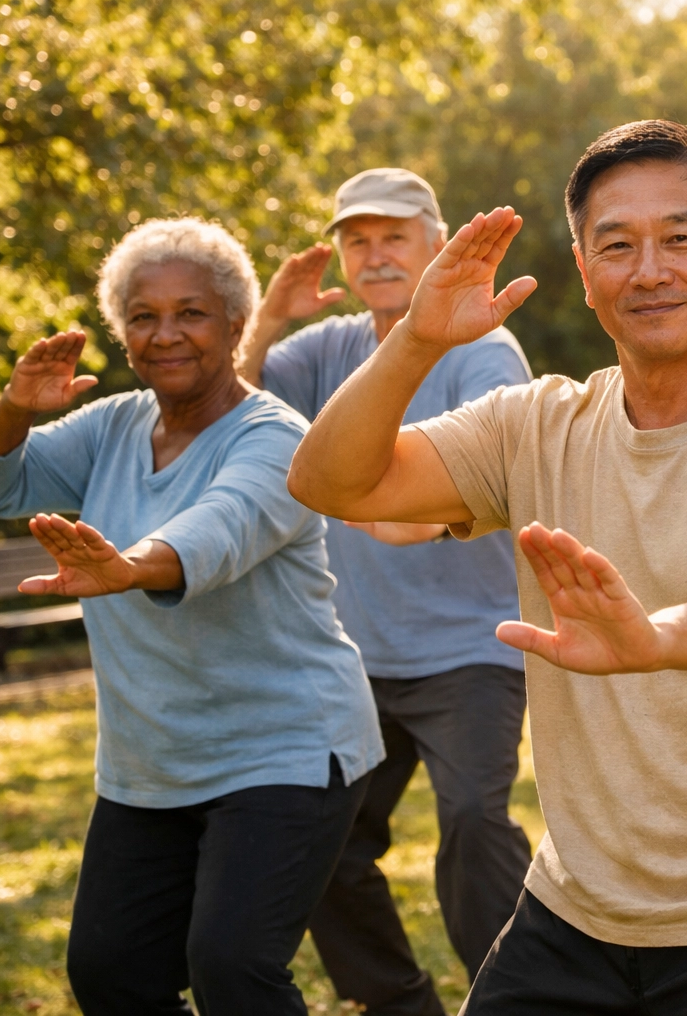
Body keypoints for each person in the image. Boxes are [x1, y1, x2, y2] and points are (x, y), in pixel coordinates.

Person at [285, 120, 687, 1015]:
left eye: (682, 239)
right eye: (617, 246)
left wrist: (655, 637)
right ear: (584, 273)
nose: (649, 270)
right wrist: (417, 340)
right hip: (582, 903)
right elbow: (331, 480)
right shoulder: (533, 426)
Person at [0, 217, 384, 1015]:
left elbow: (219, 529)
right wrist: (14, 406)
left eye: (191, 313)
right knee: (112, 974)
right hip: (153, 762)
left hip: (286, 749)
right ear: (122, 332)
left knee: (233, 969)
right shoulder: (113, 425)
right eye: (144, 317)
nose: (166, 334)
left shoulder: (277, 438)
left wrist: (129, 567)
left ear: (236, 324)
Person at [236, 167, 533, 1013]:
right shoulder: (323, 350)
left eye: (394, 235)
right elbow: (234, 407)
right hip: (353, 656)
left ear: (436, 244)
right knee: (320, 846)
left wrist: (412, 513)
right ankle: (401, 1004)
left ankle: (514, 998)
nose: (374, 256)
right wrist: (265, 319)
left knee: (476, 821)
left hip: (470, 647)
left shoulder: (482, 346)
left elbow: (504, 466)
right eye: (356, 240)